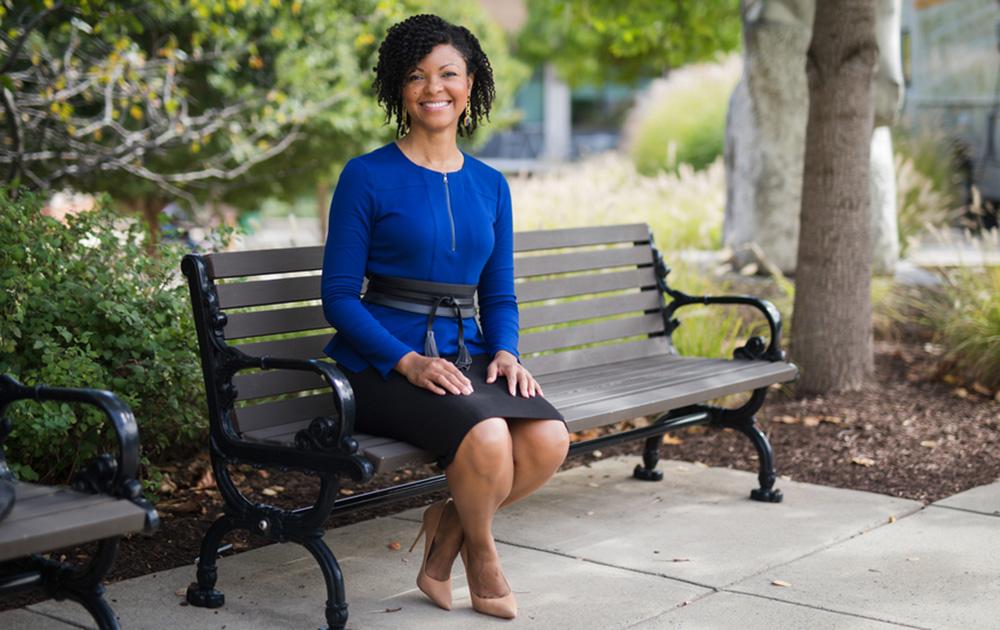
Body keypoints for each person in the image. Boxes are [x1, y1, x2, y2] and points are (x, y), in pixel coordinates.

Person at [321, 14, 569, 620]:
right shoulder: (366, 176)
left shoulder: (490, 184)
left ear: (471, 83)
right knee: (487, 437)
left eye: (448, 74)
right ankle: (482, 556)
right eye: (416, 76)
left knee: (547, 439)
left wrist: (506, 351)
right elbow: (339, 296)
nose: (434, 88)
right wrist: (406, 362)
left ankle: (445, 529)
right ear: (398, 89)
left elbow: (500, 294)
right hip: (381, 362)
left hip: (467, 350)